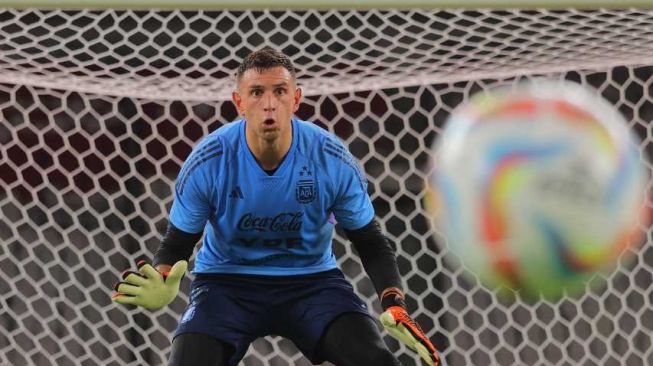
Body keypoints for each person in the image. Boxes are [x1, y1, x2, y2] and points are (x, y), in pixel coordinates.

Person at [112, 47, 441, 366]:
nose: (269, 104)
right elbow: (178, 242)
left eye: (280, 91)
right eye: (256, 92)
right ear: (239, 102)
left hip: (312, 282)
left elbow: (370, 240)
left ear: (295, 99)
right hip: (225, 284)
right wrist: (164, 275)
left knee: (377, 360)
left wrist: (393, 302)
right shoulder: (208, 160)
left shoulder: (331, 158)